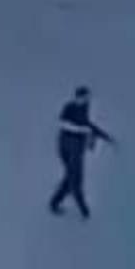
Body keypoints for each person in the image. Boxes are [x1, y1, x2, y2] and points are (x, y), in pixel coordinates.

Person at [48, 86, 114, 219]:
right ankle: (84, 211)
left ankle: (55, 203)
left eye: (88, 98)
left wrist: (103, 136)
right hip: (67, 147)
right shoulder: (69, 107)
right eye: (85, 97)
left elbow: (87, 124)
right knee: (75, 179)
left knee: (70, 177)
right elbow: (63, 123)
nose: (86, 100)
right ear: (78, 97)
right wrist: (82, 130)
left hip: (78, 148)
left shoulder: (85, 107)